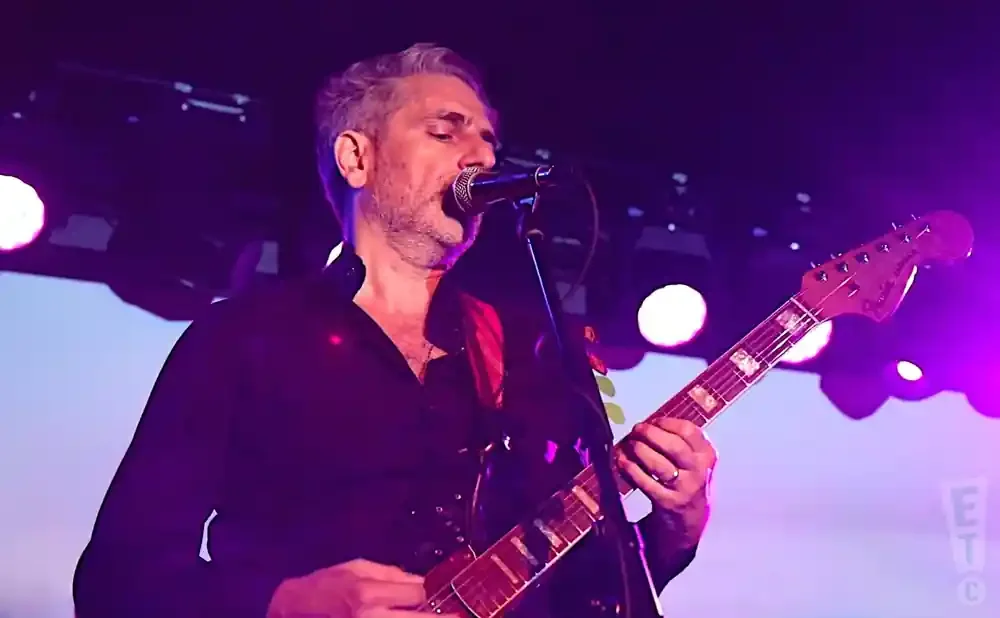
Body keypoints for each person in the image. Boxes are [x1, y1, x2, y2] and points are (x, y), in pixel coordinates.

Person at [72, 43, 717, 618]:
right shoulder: (243, 337)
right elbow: (116, 582)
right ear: (357, 157)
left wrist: (676, 526)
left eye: (490, 141)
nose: (483, 155)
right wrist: (281, 603)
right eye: (446, 132)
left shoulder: (537, 352)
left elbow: (590, 590)